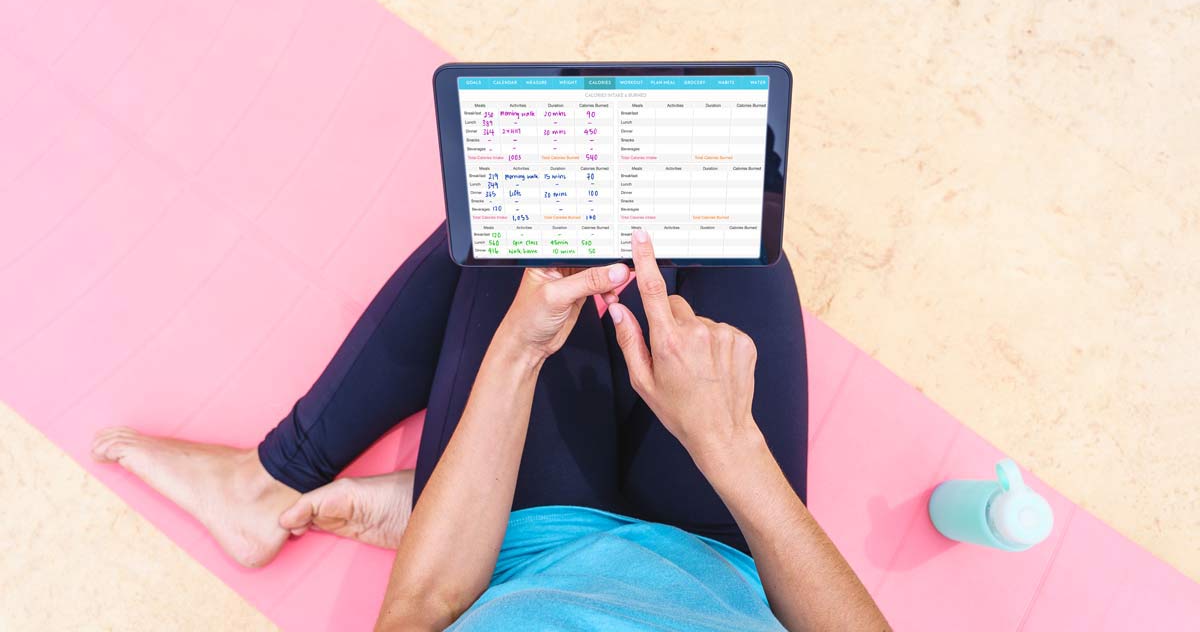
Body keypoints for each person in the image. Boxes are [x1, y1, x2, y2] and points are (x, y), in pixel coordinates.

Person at [93, 226, 889, 631]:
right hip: (727, 553)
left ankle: (270, 484)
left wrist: (517, 349)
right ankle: (422, 500)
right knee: (742, 247)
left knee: (508, 233)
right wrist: (730, 445)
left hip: (522, 548)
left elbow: (425, 609)